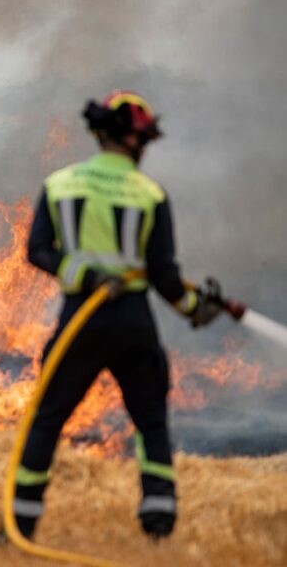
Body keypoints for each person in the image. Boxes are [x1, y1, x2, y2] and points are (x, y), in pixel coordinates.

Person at [13, 90, 225, 539]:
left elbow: (37, 252)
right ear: (135, 141)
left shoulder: (60, 184)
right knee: (149, 418)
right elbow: (164, 275)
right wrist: (194, 309)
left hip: (80, 319)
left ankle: (19, 522)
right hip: (132, 320)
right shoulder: (150, 194)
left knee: (48, 417)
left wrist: (84, 277)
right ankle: (159, 520)